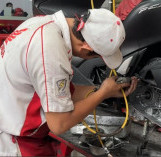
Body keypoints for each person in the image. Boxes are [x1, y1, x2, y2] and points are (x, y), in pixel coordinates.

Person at [0, 8, 138, 156]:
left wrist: (102, 90)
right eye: (97, 57)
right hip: (16, 142)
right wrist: (103, 94)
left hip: (16, 125)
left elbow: (61, 93)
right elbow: (59, 124)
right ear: (86, 47)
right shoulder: (51, 53)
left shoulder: (43, 23)